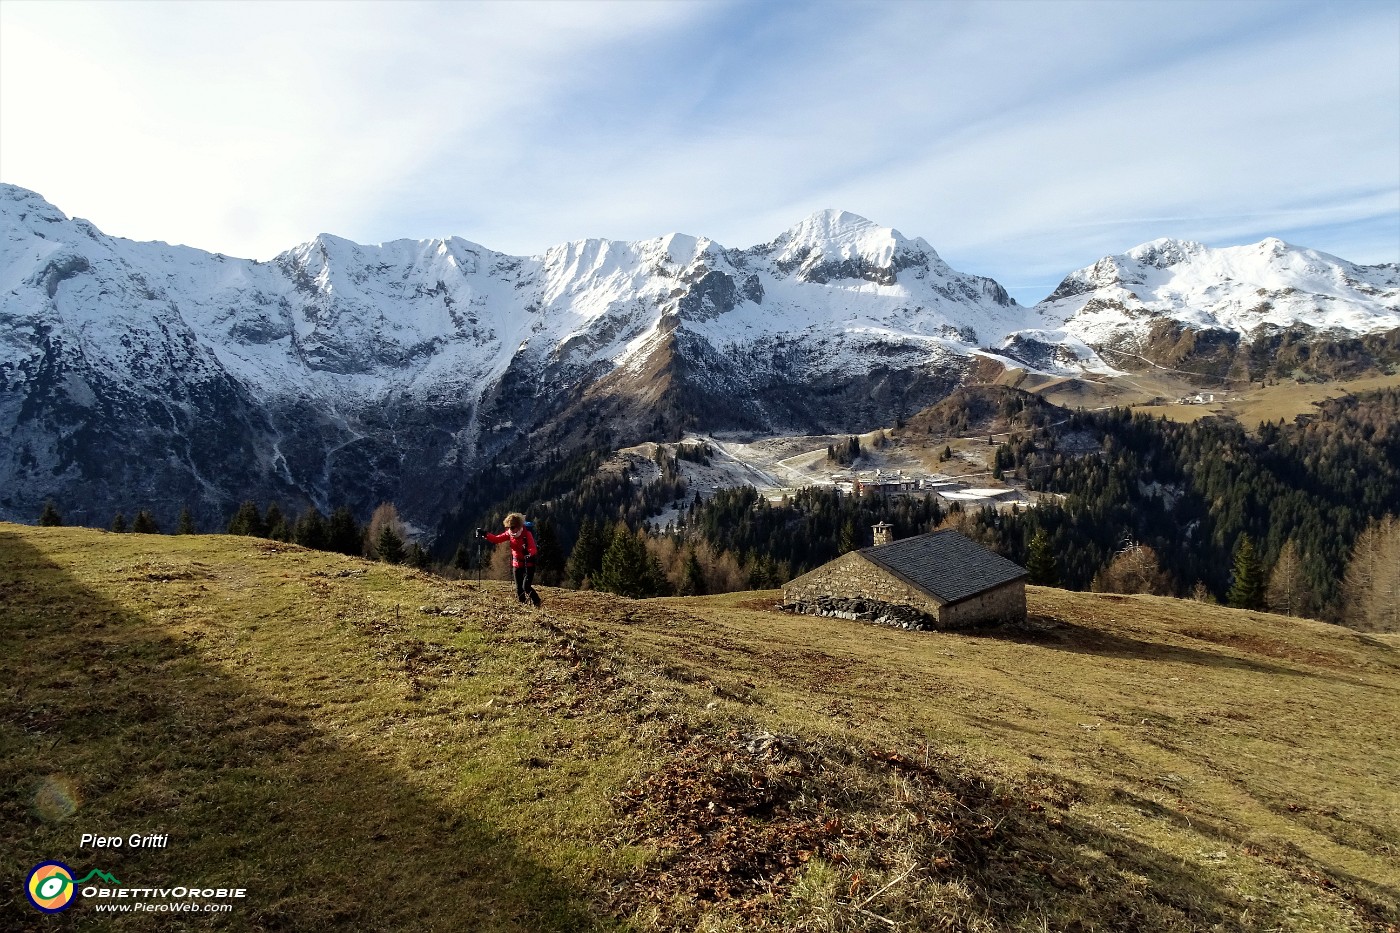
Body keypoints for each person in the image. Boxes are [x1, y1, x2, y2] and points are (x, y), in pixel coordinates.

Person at [480, 513, 542, 607]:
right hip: (516, 564)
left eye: (512, 527)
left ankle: (536, 601)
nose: (510, 529)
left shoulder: (527, 534)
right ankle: (523, 605)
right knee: (518, 588)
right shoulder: (510, 534)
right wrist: (485, 534)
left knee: (526, 587)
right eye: (509, 527)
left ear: (518, 526)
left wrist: (528, 553)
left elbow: (533, 548)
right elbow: (497, 539)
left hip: (528, 564)